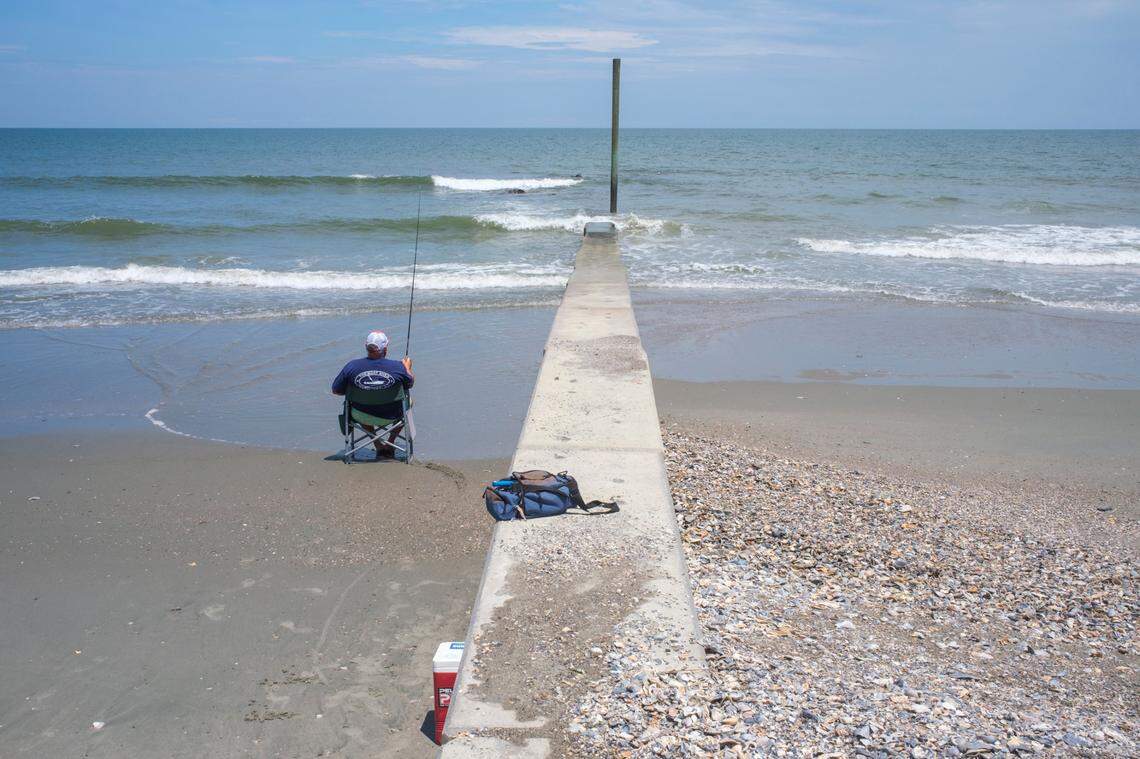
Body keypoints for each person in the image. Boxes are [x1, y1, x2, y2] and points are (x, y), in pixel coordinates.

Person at [332, 330, 414, 458]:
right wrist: (407, 368)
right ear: (385, 349)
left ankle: (378, 443)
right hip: (393, 414)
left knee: (362, 404)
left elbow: (336, 390)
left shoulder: (351, 367)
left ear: (366, 347)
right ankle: (390, 442)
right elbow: (410, 384)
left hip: (361, 415)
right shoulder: (398, 367)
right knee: (408, 402)